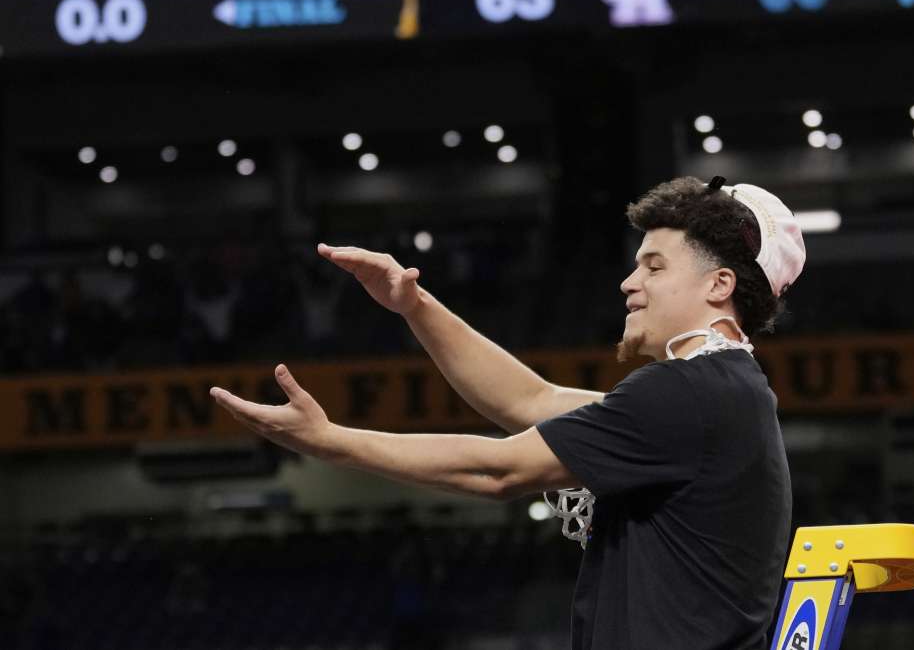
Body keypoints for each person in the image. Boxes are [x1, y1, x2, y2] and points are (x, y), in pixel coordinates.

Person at [210, 175, 806, 649]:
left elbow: (498, 470)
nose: (629, 282)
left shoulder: (691, 393)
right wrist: (414, 306)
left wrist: (330, 442)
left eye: (654, 265)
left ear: (719, 285)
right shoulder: (722, 393)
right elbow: (531, 402)